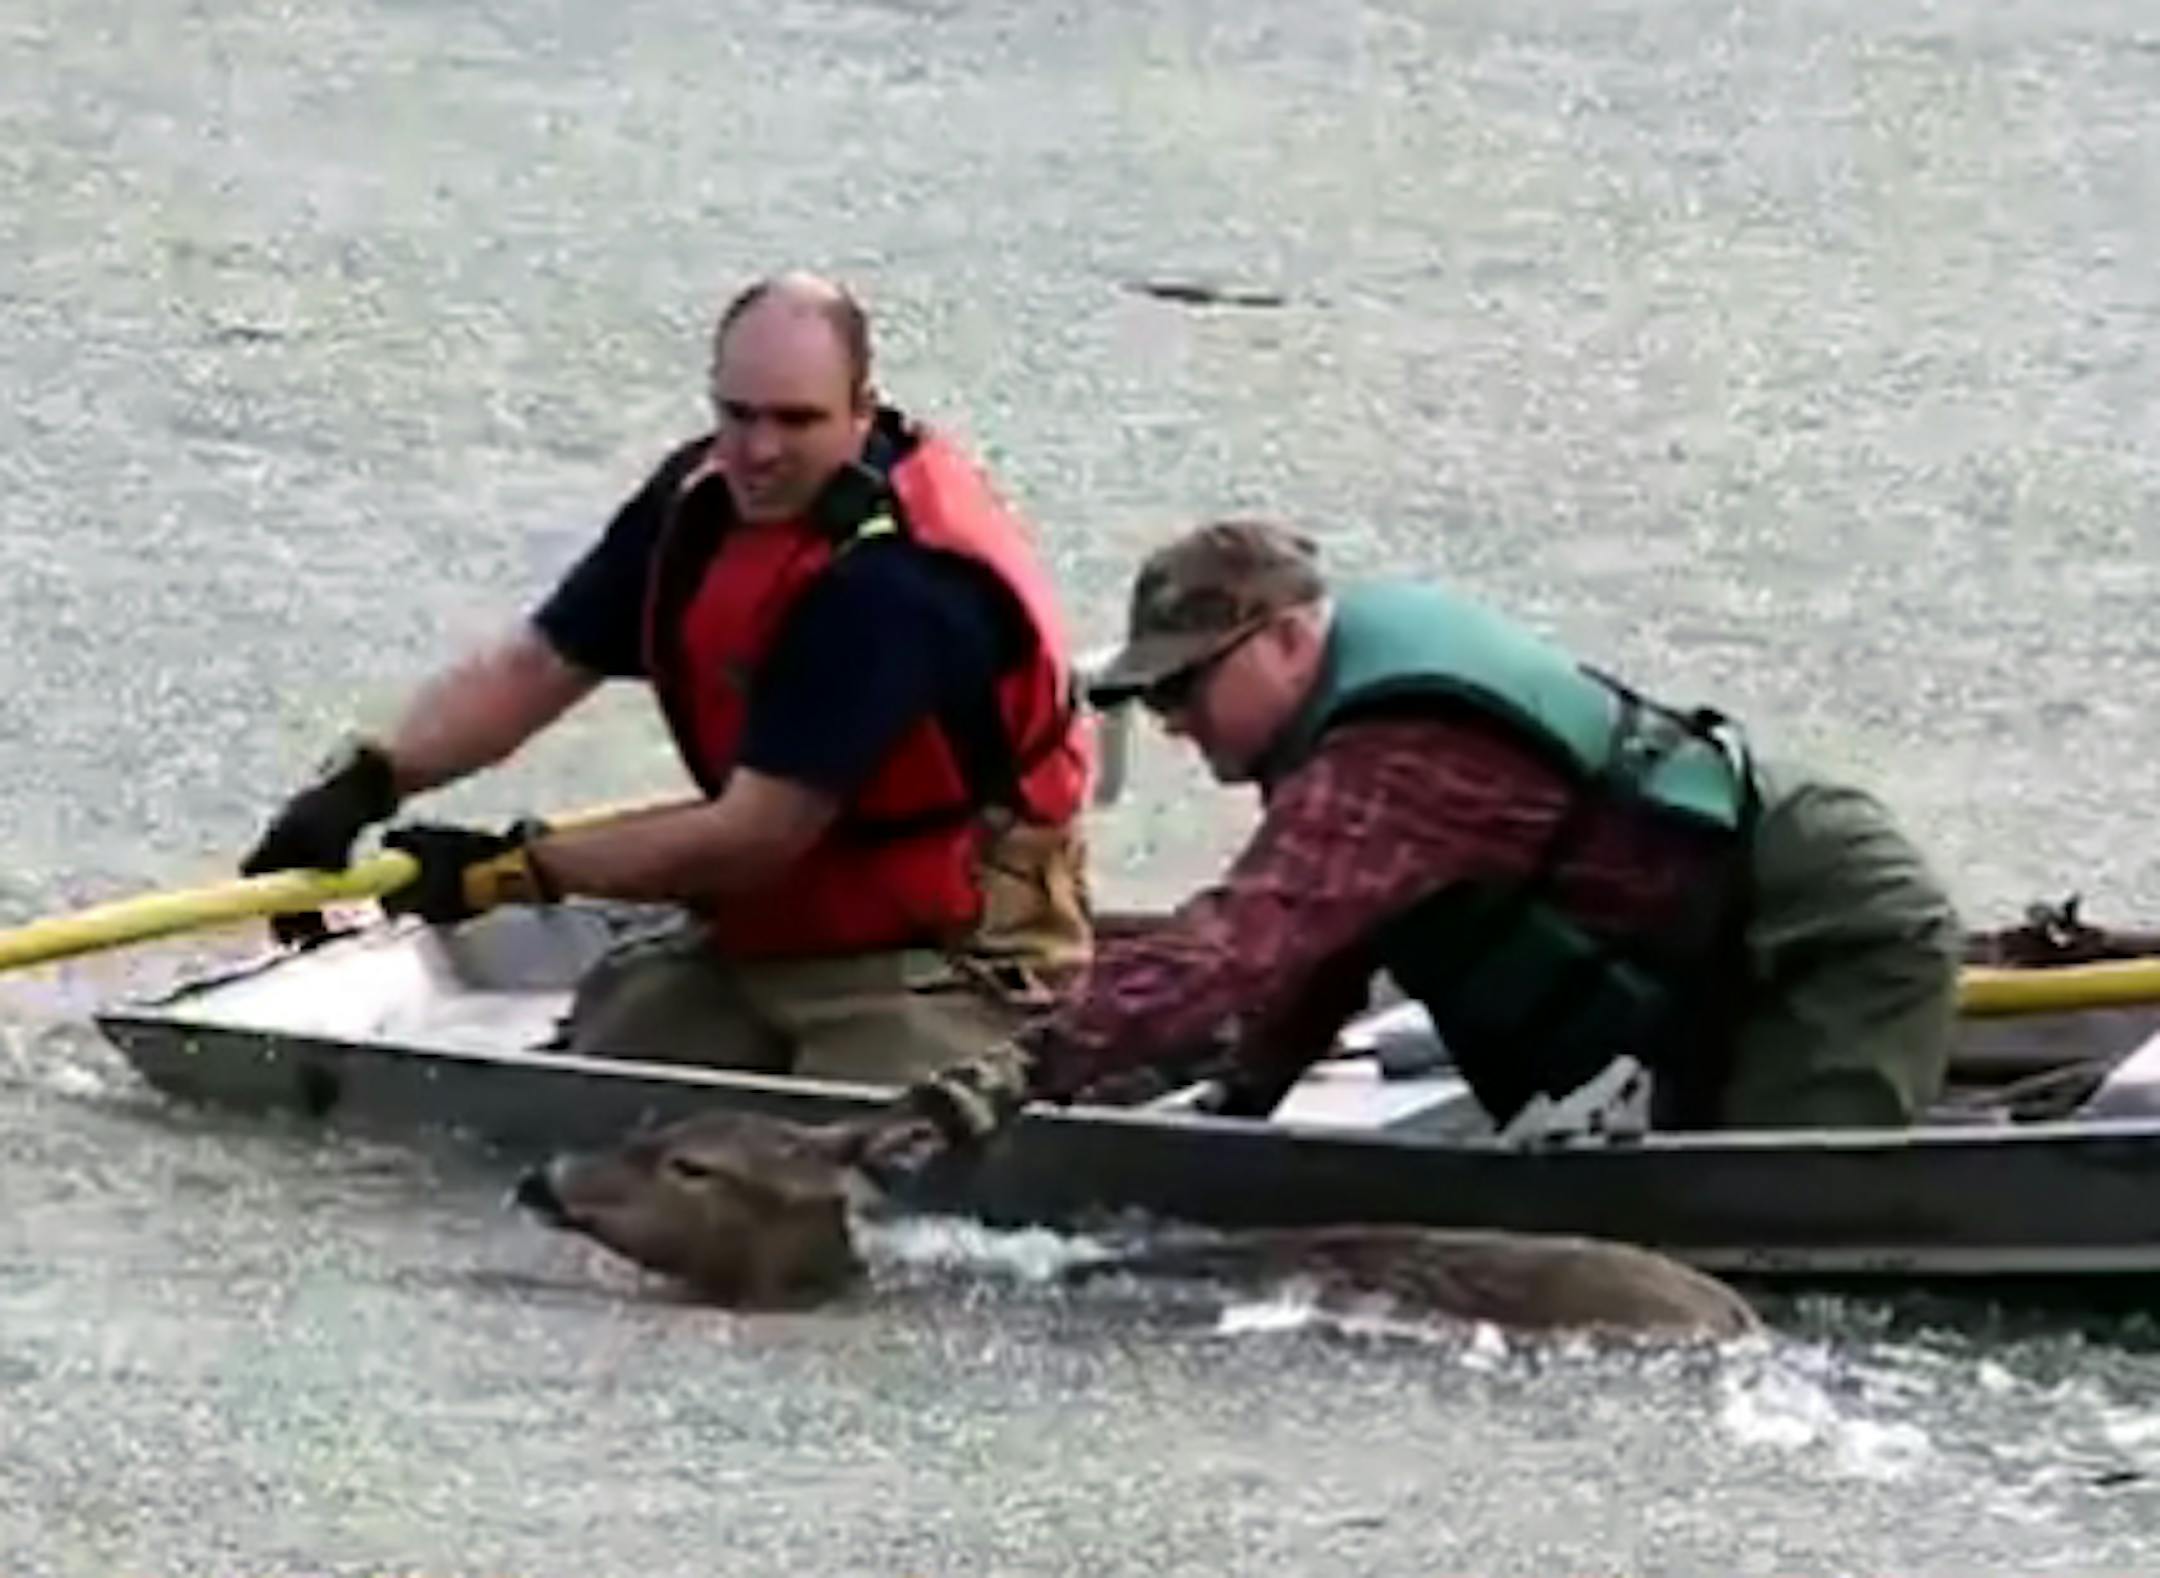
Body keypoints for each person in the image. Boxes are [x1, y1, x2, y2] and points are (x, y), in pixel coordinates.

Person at [859, 518, 1963, 1166]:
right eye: (1154, 701)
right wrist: (1241, 1100)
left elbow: (1240, 941)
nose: (1175, 721)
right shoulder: (1343, 740)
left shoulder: (1391, 759)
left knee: (1765, 1228)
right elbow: (1323, 949)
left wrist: (1013, 1072)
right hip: (1708, 945)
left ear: (1290, 638)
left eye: (1189, 686)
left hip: (1823, 931)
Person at [241, 273, 1095, 1085]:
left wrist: (505, 874)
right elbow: (540, 664)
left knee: (823, 1171)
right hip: (767, 926)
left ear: (861, 412)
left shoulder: (895, 583)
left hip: (938, 953)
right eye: (738, 414)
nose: (759, 452)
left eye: (796, 422)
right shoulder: (699, 499)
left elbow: (754, 836)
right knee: (585, 1096)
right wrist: (368, 781)